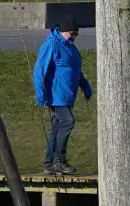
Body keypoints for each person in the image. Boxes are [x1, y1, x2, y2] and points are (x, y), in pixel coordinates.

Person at [33, 23, 91, 175]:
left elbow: (75, 69)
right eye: (72, 33)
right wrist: (41, 95)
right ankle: (59, 161)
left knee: (57, 128)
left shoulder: (71, 47)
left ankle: (48, 163)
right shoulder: (52, 44)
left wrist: (84, 85)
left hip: (67, 95)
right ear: (63, 30)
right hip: (55, 95)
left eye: (76, 34)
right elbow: (40, 70)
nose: (74, 37)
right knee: (67, 122)